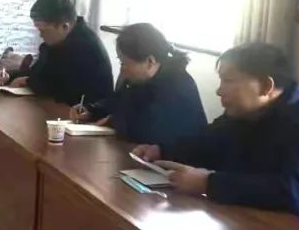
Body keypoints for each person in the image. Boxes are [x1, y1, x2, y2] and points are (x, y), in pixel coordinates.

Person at [133, 43, 299, 230]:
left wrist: (208, 182)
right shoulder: (245, 113)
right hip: (264, 222)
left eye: (228, 81)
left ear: (265, 86)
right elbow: (206, 141)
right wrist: (161, 150)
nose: (219, 90)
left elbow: (294, 193)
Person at [70, 22, 207, 146]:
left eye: (125, 63)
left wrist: (114, 120)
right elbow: (117, 101)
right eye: (121, 62)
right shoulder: (141, 80)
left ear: (150, 62)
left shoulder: (177, 86)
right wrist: (91, 110)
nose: (123, 69)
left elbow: (148, 132)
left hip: (174, 162)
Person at [0, 0, 113, 106]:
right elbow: (37, 72)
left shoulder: (84, 46)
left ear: (64, 26)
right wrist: (8, 76)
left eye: (44, 31)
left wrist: (28, 81)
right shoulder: (59, 40)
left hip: (83, 113)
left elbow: (57, 87)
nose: (41, 35)